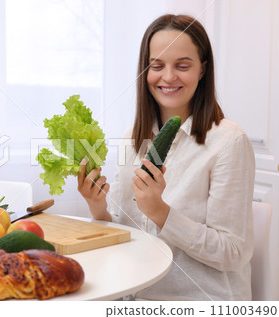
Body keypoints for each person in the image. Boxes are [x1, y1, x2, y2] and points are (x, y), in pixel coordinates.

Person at [77, 14, 255, 301]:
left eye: (182, 66)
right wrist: (99, 210)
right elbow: (129, 231)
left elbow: (232, 253)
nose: (168, 77)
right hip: (134, 296)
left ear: (202, 70)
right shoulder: (131, 138)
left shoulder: (229, 142)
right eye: (157, 66)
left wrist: (161, 212)